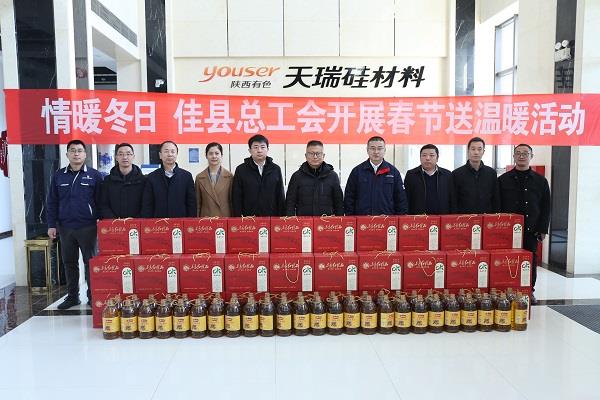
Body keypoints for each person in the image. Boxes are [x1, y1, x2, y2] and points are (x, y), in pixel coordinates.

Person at [46, 140, 103, 309]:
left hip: (88, 227)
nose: (76, 154)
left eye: (79, 151)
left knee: (90, 263)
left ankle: (92, 296)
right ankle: (72, 297)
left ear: (85, 154)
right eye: (72, 150)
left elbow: (101, 201)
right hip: (65, 227)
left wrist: (101, 222)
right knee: (69, 263)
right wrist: (51, 224)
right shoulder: (59, 175)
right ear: (67, 154)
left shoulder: (94, 175)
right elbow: (52, 202)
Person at [499, 144, 551, 302]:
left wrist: (542, 229)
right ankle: (506, 290)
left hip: (531, 229)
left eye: (525, 153)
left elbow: (546, 207)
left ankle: (529, 290)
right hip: (507, 231)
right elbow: (497, 205)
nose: (521, 156)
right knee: (507, 262)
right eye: (518, 153)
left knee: (529, 261)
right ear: (514, 156)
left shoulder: (541, 181)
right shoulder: (502, 180)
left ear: (531, 156)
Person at [344, 136, 408, 215]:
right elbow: (349, 198)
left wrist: (399, 219)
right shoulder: (357, 172)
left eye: (380, 148)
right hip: (363, 220)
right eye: (372, 148)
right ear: (367, 150)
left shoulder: (393, 172)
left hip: (387, 219)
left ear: (384, 150)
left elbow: (401, 199)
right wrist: (351, 218)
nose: (376, 152)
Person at [232, 134, 285, 216]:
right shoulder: (241, 170)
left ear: (267, 149)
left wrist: (281, 217)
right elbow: (236, 197)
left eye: (262, 147)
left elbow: (280, 195)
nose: (259, 150)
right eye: (256, 147)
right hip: (249, 217)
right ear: (250, 150)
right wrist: (238, 217)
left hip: (271, 217)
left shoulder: (275, 169)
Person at [285, 140, 344, 216]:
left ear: (323, 155)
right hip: (304, 221)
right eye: (311, 153)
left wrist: (340, 219)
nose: (315, 157)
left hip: (327, 221)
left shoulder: (332, 176)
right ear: (306, 156)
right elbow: (290, 202)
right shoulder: (297, 176)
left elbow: (339, 203)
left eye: (318, 153)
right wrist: (291, 220)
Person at [141, 140, 197, 218]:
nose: (170, 154)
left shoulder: (186, 176)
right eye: (166, 151)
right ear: (160, 155)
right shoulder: (152, 177)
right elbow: (147, 205)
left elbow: (191, 204)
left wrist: (190, 222)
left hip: (180, 222)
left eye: (172, 151)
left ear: (176, 154)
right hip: (158, 223)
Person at [452, 137, 500, 214]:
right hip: (464, 218)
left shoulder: (491, 173)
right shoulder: (457, 174)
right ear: (468, 151)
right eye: (473, 149)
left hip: (486, 217)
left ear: (483, 152)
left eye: (479, 149)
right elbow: (454, 200)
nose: (476, 152)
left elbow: (496, 199)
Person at [404, 144, 455, 215]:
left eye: (431, 155)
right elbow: (406, 198)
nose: (427, 158)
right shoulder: (411, 175)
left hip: (442, 218)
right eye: (424, 155)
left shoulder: (447, 175)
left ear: (437, 158)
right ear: (420, 158)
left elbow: (452, 199)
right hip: (418, 218)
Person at [99, 143, 146, 218]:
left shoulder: (143, 180)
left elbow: (146, 205)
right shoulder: (108, 180)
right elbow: (103, 204)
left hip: (137, 223)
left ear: (133, 156)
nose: (125, 157)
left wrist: (135, 220)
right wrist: (115, 220)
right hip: (113, 223)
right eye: (121, 154)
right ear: (116, 157)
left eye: (128, 154)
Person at [195, 142, 233, 217]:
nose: (214, 156)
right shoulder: (199, 177)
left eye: (217, 153)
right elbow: (198, 204)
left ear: (221, 155)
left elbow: (232, 202)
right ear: (206, 156)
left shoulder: (229, 176)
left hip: (224, 218)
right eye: (210, 153)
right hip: (206, 219)